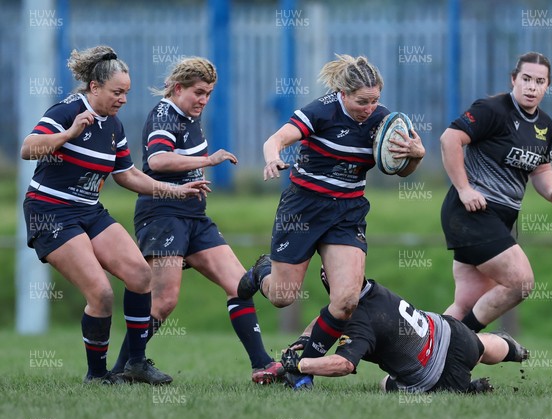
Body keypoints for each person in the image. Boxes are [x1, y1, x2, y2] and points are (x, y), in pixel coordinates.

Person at [21, 46, 209, 385]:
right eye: (117, 92)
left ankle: (135, 364)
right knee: (101, 293)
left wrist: (175, 190)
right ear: (94, 87)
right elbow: (27, 148)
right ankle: (97, 376)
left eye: (126, 92)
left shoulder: (114, 126)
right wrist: (68, 134)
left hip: (89, 210)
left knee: (140, 275)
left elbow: (128, 175)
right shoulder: (68, 111)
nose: (123, 99)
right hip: (50, 211)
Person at [237, 54, 425, 371]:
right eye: (362, 102)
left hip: (347, 214)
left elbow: (401, 172)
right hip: (303, 208)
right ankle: (263, 270)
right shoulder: (321, 111)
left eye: (375, 100)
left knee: (347, 301)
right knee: (283, 296)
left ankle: (301, 366)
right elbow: (276, 139)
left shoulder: (384, 122)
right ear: (343, 93)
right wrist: (272, 158)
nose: (370, 108)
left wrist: (416, 156)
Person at [109, 56, 284, 384]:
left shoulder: (189, 115)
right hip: (162, 214)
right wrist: (209, 158)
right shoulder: (165, 113)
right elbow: (158, 160)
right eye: (198, 92)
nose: (203, 100)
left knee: (239, 285)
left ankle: (263, 365)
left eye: (209, 94)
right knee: (163, 301)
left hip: (193, 215)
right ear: (178, 88)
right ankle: (123, 369)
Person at [439, 52, 552, 332]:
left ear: (547, 86)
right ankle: (455, 350)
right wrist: (464, 189)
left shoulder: (545, 125)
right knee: (521, 282)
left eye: (539, 81)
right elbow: (449, 139)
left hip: (502, 218)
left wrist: (550, 192)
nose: (531, 87)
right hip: (472, 212)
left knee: (465, 303)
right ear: (513, 79)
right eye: (526, 79)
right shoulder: (493, 110)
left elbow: (540, 168)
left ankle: (422, 359)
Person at [280, 268, 529, 392]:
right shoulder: (373, 290)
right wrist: (306, 337)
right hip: (450, 331)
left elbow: (344, 365)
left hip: (438, 376)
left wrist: (301, 366)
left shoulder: (360, 322)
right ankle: (512, 349)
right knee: (480, 346)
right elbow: (327, 317)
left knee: (384, 384)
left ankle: (465, 389)